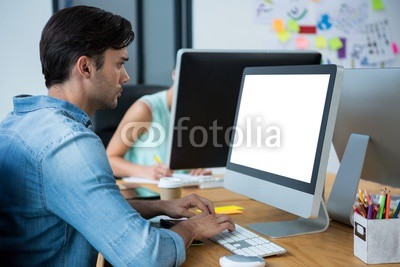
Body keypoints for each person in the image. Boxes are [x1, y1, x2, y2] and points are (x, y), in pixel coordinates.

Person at [0, 5, 235, 266]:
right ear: (86, 67)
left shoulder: (16, 123)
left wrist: (160, 207)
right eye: (119, 64)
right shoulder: (69, 144)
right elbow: (148, 256)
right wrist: (192, 228)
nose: (126, 77)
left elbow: (83, 207)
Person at [106, 71, 210, 180]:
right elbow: (110, 160)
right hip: (147, 194)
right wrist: (146, 171)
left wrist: (198, 169)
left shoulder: (199, 112)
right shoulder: (144, 109)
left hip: (183, 191)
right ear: (175, 74)